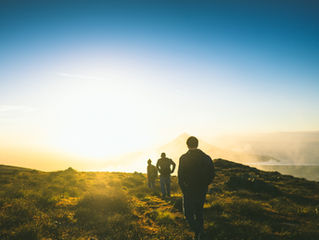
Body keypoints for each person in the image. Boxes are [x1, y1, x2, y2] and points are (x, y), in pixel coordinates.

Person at [178, 136, 215, 240]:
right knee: (199, 212)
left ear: (187, 145)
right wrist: (205, 185)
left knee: (188, 214)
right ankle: (200, 233)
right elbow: (212, 174)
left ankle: (198, 231)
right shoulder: (206, 157)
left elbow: (180, 176)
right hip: (201, 190)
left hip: (188, 190)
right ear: (197, 144)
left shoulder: (184, 158)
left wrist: (184, 189)